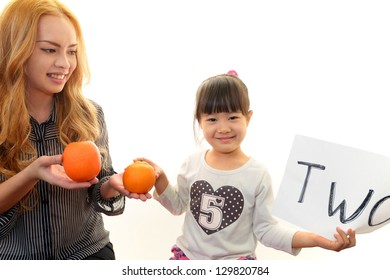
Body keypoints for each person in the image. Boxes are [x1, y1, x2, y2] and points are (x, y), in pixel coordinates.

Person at [138, 71, 356, 260]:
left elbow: (267, 230)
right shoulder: (192, 163)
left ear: (248, 118)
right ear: (199, 121)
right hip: (188, 259)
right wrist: (161, 179)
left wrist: (317, 240)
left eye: (232, 117)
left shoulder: (257, 174)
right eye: (212, 120)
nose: (223, 128)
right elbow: (177, 206)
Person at [0, 0, 148, 260]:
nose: (65, 63)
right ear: (15, 50)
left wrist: (112, 185)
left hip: (88, 255)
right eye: (49, 50)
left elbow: (97, 187)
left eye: (72, 51)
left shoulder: (90, 114)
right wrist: (32, 174)